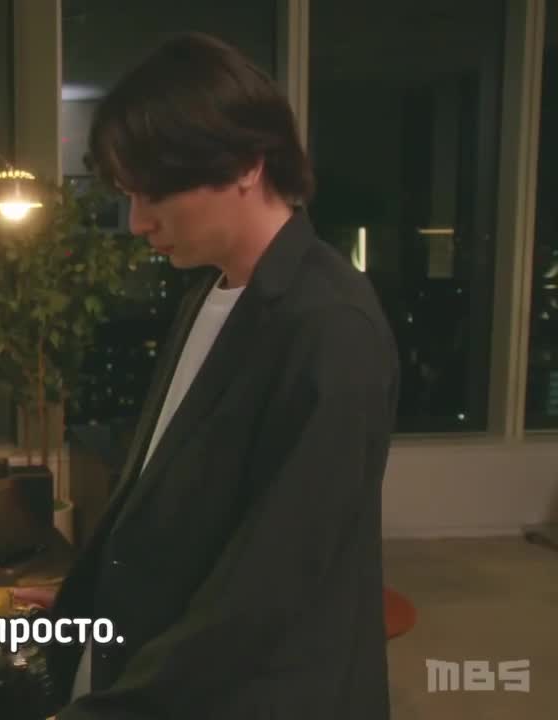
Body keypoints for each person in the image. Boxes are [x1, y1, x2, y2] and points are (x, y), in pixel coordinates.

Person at [39, 32, 401, 719]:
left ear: (244, 165)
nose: (138, 223)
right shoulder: (208, 294)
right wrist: (83, 606)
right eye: (128, 196)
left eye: (154, 195)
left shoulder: (330, 325)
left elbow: (269, 584)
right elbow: (176, 504)